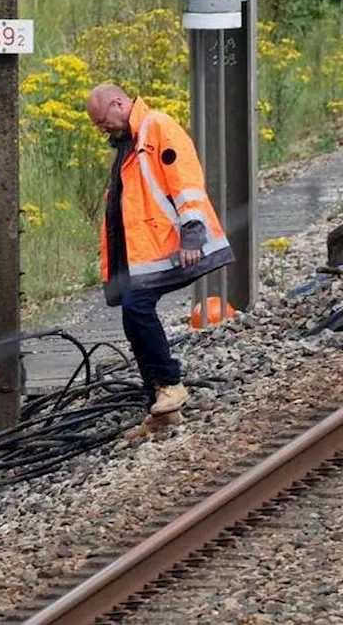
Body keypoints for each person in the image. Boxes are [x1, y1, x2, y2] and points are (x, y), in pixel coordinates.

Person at [84, 83, 233, 428]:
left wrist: (192, 235)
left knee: (138, 308)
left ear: (119, 103)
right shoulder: (130, 141)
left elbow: (187, 182)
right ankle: (161, 406)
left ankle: (169, 386)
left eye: (102, 120)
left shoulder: (157, 127)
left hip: (169, 246)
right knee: (132, 316)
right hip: (144, 252)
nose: (101, 128)